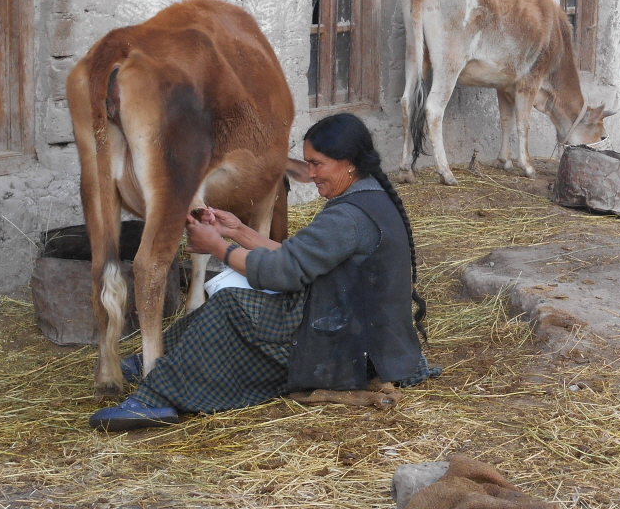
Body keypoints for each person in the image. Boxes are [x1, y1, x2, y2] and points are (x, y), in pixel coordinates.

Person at [89, 113, 440, 430]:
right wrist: (238, 231)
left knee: (232, 307)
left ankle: (159, 397)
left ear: (348, 163)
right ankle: (160, 359)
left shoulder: (348, 216)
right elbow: (299, 257)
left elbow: (282, 273)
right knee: (234, 300)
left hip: (346, 345)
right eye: (308, 163)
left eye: (318, 165)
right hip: (350, 326)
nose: (310, 174)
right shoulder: (367, 198)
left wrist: (217, 248)